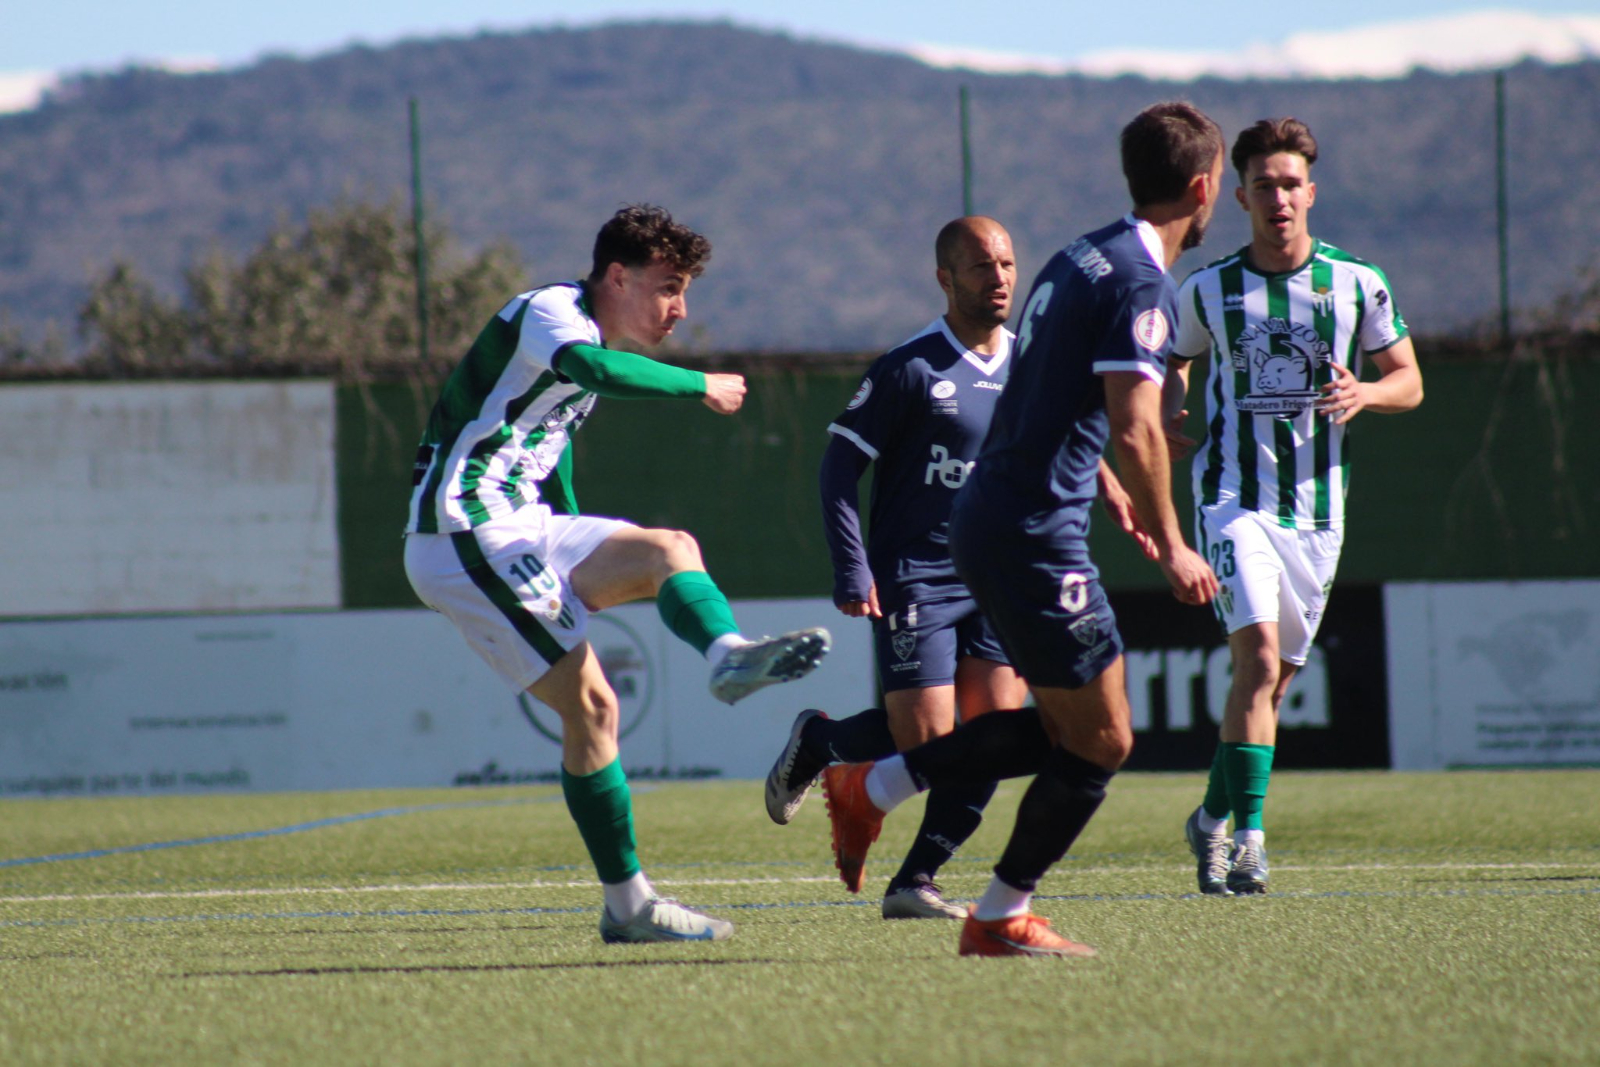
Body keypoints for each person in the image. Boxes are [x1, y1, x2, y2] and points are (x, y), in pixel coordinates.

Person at [821, 102, 1224, 957]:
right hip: (1035, 533)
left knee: (1060, 725)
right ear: (1203, 186)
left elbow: (1044, 393)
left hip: (998, 519)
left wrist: (1106, 484)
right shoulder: (1141, 281)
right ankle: (999, 911)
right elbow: (1137, 424)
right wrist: (1173, 538)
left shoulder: (1080, 255)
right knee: (1104, 737)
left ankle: (877, 784)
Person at [403, 204, 831, 944]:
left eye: (686, 289)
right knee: (593, 708)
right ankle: (630, 905)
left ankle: (728, 657)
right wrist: (698, 385)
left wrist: (571, 547)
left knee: (670, 549)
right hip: (462, 531)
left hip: (523, 527)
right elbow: (591, 369)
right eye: (668, 286)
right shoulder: (550, 312)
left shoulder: (584, 338)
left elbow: (549, 445)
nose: (680, 308)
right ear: (616, 276)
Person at [1166, 118, 1423, 896]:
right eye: (1264, 185)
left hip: (1317, 514)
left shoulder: (1357, 283)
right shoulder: (1208, 288)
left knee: (1271, 686)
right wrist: (1175, 409)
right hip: (1232, 500)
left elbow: (1408, 379)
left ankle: (1210, 817)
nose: (1278, 197)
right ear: (1239, 195)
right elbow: (1172, 360)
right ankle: (1248, 841)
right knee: (1257, 662)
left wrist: (1366, 390)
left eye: (1290, 183)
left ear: (1310, 191)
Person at [763, 217, 1030, 920]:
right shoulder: (910, 366)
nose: (998, 277)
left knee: (994, 735)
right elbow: (838, 471)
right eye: (980, 266)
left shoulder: (1032, 362)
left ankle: (916, 880)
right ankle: (822, 740)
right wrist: (854, 569)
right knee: (929, 740)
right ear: (945, 278)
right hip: (918, 575)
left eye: (1005, 263)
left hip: (998, 576)